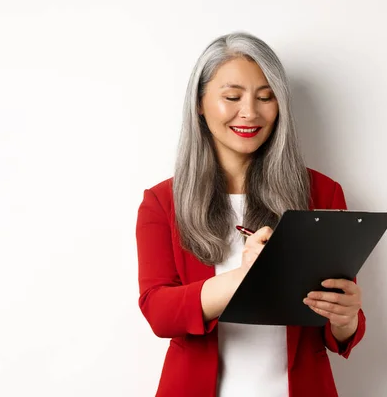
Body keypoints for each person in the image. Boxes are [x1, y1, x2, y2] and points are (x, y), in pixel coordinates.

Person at [136, 32, 366, 397]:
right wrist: (245, 278)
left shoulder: (322, 193)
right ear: (199, 103)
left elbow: (336, 324)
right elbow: (159, 312)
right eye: (232, 97)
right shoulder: (163, 201)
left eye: (266, 97)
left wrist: (347, 317)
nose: (250, 113)